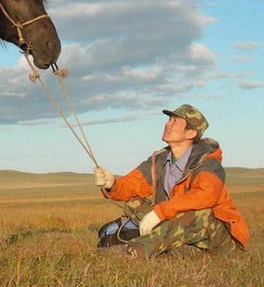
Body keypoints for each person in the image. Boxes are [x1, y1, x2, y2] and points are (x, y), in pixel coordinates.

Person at [94, 104, 249, 258]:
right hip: (177, 225)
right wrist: (112, 184)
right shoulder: (158, 161)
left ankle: (132, 253)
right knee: (133, 202)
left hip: (217, 238)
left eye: (175, 121)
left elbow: (206, 196)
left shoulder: (208, 162)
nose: (167, 124)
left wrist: (160, 213)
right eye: (169, 119)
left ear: (191, 133)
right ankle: (155, 245)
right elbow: (133, 185)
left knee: (198, 214)